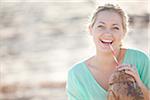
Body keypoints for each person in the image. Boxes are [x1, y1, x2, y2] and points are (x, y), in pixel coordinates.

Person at [66, 3, 150, 100]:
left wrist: (139, 84)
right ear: (90, 30)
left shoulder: (140, 60)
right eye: (101, 26)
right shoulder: (77, 75)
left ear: (124, 33)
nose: (107, 33)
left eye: (115, 28)